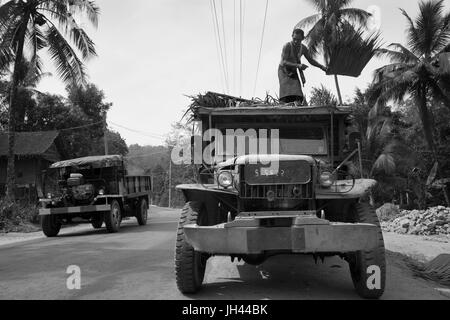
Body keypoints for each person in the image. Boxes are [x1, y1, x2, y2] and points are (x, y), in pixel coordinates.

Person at [279, 28, 327, 105]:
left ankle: (296, 105)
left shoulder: (303, 48)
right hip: (283, 71)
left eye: (298, 40)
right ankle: (284, 105)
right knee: (285, 93)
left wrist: (322, 67)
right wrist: (298, 65)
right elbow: (284, 62)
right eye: (294, 39)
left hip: (293, 70)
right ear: (292, 36)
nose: (296, 41)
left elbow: (311, 60)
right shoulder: (287, 46)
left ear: (302, 38)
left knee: (297, 92)